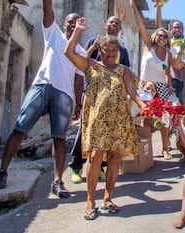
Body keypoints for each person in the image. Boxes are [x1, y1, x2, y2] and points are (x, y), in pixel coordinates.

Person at [0, 0, 85, 199]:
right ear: (64, 23)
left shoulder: (81, 52)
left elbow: (78, 82)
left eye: (75, 23)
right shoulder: (53, 33)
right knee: (20, 128)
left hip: (65, 96)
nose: (71, 25)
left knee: (59, 139)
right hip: (42, 86)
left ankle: (58, 182)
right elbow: (47, 7)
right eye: (69, 22)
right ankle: (2, 171)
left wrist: (79, 104)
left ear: (80, 27)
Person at [65, 17, 145, 220]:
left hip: (118, 119)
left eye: (113, 51)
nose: (110, 54)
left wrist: (144, 105)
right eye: (106, 51)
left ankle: (108, 198)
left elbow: (133, 90)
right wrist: (78, 32)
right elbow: (69, 52)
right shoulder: (90, 65)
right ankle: (90, 200)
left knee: (115, 158)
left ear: (117, 52)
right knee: (94, 156)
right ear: (99, 50)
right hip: (96, 119)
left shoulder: (124, 70)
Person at [69, 15, 130, 184]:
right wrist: (94, 46)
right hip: (93, 96)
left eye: (117, 24)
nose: (113, 25)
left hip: (112, 101)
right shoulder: (93, 41)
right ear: (105, 25)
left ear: (119, 29)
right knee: (84, 132)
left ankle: (100, 167)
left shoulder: (122, 51)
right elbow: (82, 60)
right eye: (111, 22)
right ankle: (76, 166)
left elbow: (126, 73)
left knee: (106, 137)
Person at [131, 0, 174, 160]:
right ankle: (145, 150)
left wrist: (169, 85)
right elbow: (141, 25)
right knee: (144, 117)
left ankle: (165, 148)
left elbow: (167, 72)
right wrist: (133, 5)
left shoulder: (168, 54)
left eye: (164, 36)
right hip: (144, 86)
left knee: (164, 119)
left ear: (167, 39)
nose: (161, 37)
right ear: (155, 37)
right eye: (159, 35)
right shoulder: (149, 46)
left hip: (161, 87)